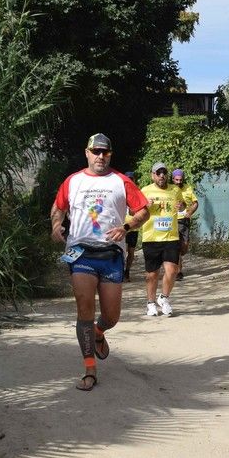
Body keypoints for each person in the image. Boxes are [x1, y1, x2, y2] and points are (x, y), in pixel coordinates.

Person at [50, 134, 148, 391]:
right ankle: (90, 369)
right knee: (84, 309)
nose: (100, 156)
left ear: (110, 154)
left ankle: (98, 332)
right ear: (87, 153)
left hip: (111, 254)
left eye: (105, 152)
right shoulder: (73, 181)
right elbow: (58, 207)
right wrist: (56, 225)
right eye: (96, 151)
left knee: (112, 317)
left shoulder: (121, 181)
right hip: (80, 252)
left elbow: (143, 211)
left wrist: (126, 227)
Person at [139, 162, 182, 316]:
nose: (162, 176)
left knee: (172, 270)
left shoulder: (175, 190)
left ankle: (164, 298)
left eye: (164, 173)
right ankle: (151, 303)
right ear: (153, 175)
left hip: (171, 237)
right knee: (152, 275)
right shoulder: (145, 191)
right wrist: (145, 206)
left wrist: (182, 207)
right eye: (158, 173)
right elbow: (134, 210)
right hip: (151, 237)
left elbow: (183, 205)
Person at [171, 168, 198, 280]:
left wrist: (190, 212)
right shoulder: (169, 189)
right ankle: (178, 271)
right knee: (176, 247)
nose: (178, 182)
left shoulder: (188, 188)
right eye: (176, 180)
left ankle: (178, 259)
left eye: (180, 180)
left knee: (184, 246)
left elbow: (195, 203)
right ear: (173, 179)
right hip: (173, 221)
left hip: (184, 221)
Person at [123, 170, 139, 281]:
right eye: (128, 179)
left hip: (134, 227)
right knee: (122, 251)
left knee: (131, 252)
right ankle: (120, 271)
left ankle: (127, 271)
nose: (130, 181)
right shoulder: (119, 191)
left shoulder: (138, 192)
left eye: (131, 179)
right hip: (121, 227)